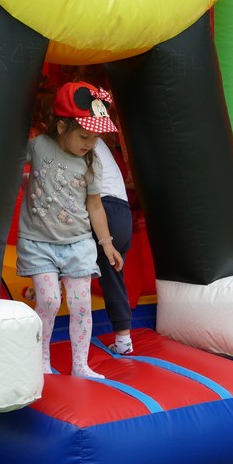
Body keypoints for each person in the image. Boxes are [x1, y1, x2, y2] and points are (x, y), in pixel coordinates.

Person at [16, 81, 123, 379]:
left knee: (82, 306)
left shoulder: (92, 163)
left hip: (78, 243)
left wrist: (107, 244)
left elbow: (95, 207)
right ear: (62, 127)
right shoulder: (39, 146)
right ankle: (40, 361)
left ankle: (80, 365)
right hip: (39, 242)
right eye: (85, 136)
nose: (91, 143)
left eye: (96, 137)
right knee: (49, 300)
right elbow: (9, 163)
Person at [94, 134, 137, 355]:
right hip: (122, 210)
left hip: (104, 208)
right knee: (114, 278)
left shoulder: (81, 141)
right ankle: (123, 339)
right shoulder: (98, 142)